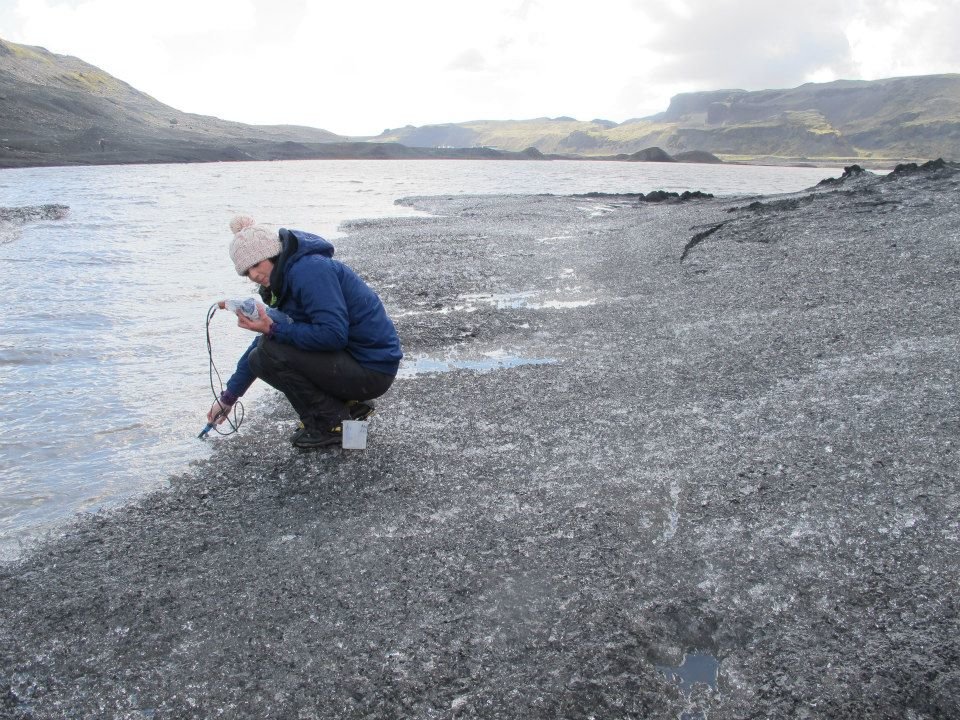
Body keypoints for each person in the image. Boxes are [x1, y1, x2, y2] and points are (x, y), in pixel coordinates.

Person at [206, 215, 402, 450]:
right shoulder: (285, 278)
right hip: (354, 364)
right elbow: (265, 340)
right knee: (258, 357)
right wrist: (229, 398)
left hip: (372, 370)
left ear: (273, 254)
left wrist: (272, 328)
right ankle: (349, 406)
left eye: (257, 264)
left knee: (270, 349)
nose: (254, 275)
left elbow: (333, 334)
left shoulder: (309, 271)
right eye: (247, 272)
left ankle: (331, 423)